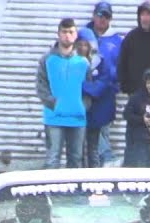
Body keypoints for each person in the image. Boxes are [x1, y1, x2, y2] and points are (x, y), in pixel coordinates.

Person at [36, 19, 90, 169]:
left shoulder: (83, 62)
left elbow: (90, 87)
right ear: (58, 34)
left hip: (77, 118)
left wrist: (83, 106)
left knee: (76, 160)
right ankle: (50, 192)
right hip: (54, 117)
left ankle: (74, 193)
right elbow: (41, 87)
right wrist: (54, 103)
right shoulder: (47, 60)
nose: (67, 36)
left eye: (71, 32)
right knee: (53, 159)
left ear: (76, 35)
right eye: (64, 32)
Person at [85, 2, 124, 167]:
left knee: (103, 130)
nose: (102, 19)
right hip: (84, 92)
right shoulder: (83, 35)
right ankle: (97, 163)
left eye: (106, 16)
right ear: (93, 15)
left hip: (106, 93)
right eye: (99, 15)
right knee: (87, 132)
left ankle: (103, 170)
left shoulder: (116, 40)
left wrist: (116, 83)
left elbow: (122, 65)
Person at [77, 27, 118, 168]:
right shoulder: (73, 62)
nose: (83, 48)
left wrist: (82, 86)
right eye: (80, 44)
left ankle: (94, 179)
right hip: (77, 111)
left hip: (96, 112)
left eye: (85, 44)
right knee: (78, 150)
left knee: (93, 148)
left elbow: (101, 85)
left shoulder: (100, 62)